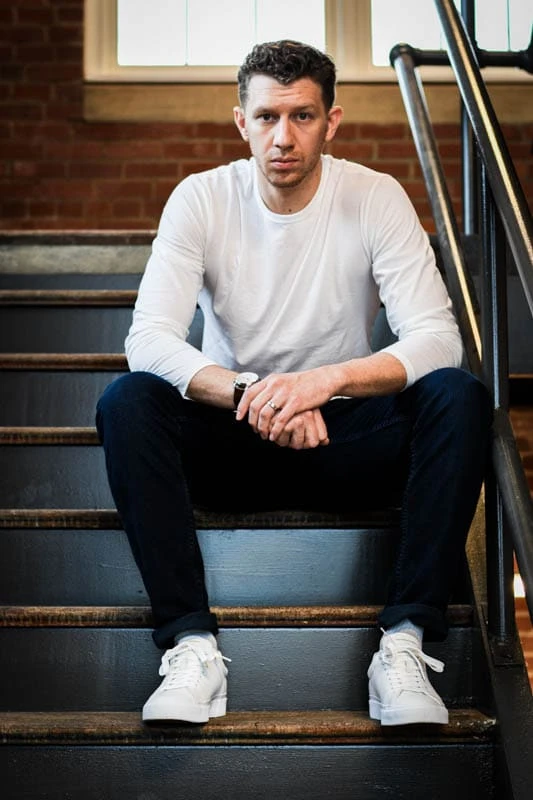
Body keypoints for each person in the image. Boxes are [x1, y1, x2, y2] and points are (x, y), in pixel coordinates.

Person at [96, 40, 491, 727]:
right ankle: (190, 645)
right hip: (234, 444)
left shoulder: (374, 197)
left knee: (457, 395)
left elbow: (435, 337)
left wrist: (323, 382)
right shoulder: (202, 198)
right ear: (239, 121)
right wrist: (253, 394)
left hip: (345, 445)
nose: (283, 137)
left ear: (331, 121)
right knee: (126, 401)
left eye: (302, 116)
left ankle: (402, 645)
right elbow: (149, 339)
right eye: (267, 117)